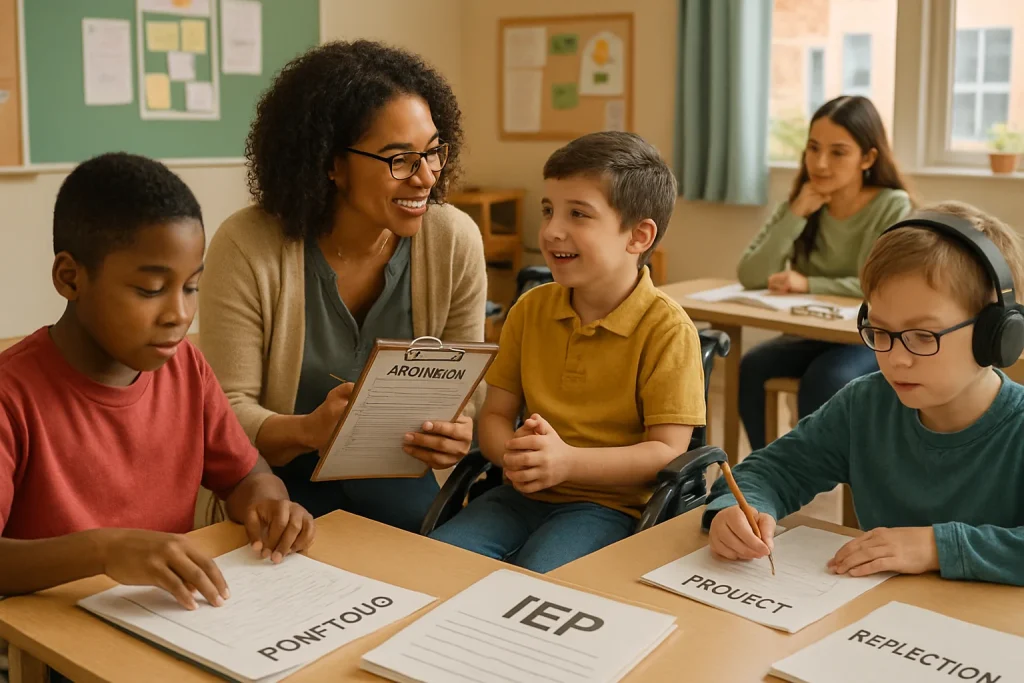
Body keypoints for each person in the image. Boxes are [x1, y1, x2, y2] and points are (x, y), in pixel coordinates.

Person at [0, 153, 315, 609]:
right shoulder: (12, 395)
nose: (179, 315)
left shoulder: (186, 367)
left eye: (191, 288)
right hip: (52, 645)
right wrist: (104, 551)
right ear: (70, 278)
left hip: (169, 619)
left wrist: (268, 504)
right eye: (150, 290)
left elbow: (247, 476)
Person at [199, 41, 487, 532]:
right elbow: (225, 415)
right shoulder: (247, 245)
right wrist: (309, 430)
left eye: (433, 152)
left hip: (399, 477)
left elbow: (469, 394)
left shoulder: (453, 240)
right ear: (331, 164)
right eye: (400, 159)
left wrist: (459, 433)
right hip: (276, 481)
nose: (425, 177)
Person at [706, 202, 1024, 587]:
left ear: (998, 337)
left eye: (923, 336)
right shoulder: (864, 406)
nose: (895, 358)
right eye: (880, 332)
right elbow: (770, 471)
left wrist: (936, 547)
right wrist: (739, 510)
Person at [430, 132, 707, 572]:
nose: (551, 230)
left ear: (638, 236)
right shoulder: (530, 309)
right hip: (520, 494)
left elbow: (666, 452)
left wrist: (569, 463)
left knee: (542, 580)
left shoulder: (668, 330)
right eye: (548, 210)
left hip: (608, 507)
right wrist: (513, 457)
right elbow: (496, 417)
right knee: (437, 561)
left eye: (578, 213)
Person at [737, 96, 913, 451]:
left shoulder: (892, 205)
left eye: (838, 152)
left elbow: (877, 286)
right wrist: (796, 213)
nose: (819, 163)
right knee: (752, 365)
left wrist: (808, 283)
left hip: (865, 335)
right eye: (813, 149)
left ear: (868, 158)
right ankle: (765, 471)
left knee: (827, 377)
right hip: (811, 330)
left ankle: (808, 472)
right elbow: (751, 273)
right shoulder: (802, 202)